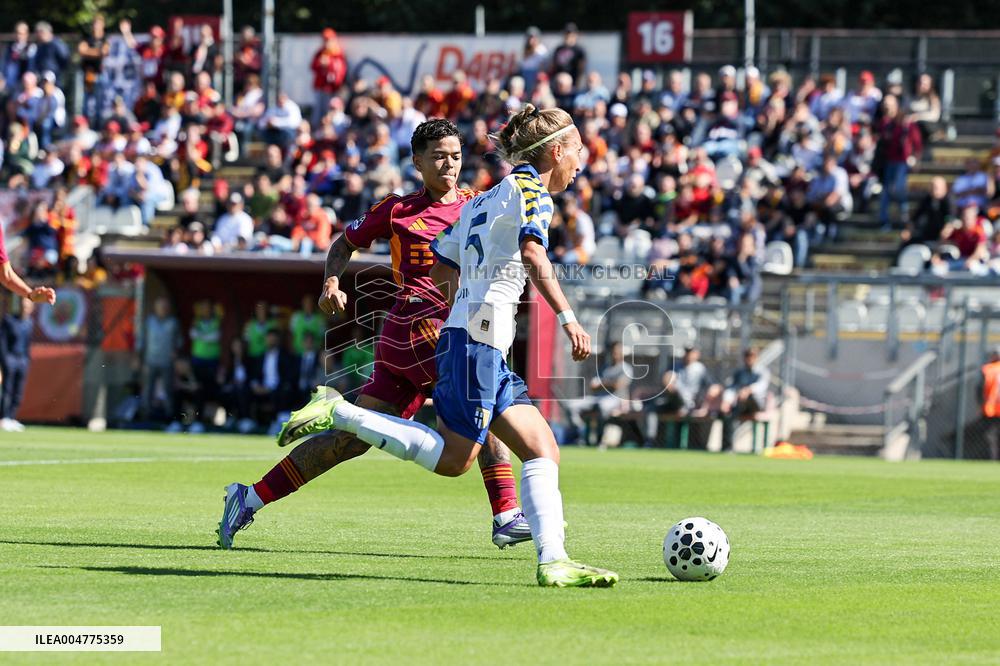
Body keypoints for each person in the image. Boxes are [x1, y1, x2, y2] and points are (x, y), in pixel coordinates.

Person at [272, 106, 618, 587]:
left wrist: (467, 305)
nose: (581, 162)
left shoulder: (483, 199)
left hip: (474, 339)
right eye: (578, 152)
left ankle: (553, 561)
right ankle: (341, 411)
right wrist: (569, 318)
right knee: (457, 461)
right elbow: (533, 254)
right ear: (555, 151)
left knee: (542, 448)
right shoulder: (531, 193)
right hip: (475, 342)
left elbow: (440, 264)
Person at [216, 119, 533, 553]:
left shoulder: (479, 203)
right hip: (424, 328)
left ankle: (248, 497)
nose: (449, 164)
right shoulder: (398, 210)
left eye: (456, 155)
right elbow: (342, 244)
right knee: (483, 400)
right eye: (439, 156)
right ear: (418, 161)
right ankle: (506, 514)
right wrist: (331, 282)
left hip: (429, 334)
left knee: (349, 442)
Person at [137, 297, 181, 420]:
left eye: (165, 307)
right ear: (155, 308)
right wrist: (138, 358)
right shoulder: (149, 322)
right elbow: (142, 341)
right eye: (161, 306)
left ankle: (169, 418)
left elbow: (179, 342)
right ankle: (146, 417)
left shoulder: (173, 323)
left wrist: (176, 354)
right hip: (151, 361)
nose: (163, 309)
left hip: (167, 362)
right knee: (148, 390)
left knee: (168, 390)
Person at [0, 297, 35, 432]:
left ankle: (12, 418)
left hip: (22, 360)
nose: (24, 308)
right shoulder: (9, 320)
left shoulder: (29, 323)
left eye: (27, 306)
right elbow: (2, 342)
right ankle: (4, 418)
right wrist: (5, 360)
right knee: (7, 389)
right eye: (22, 305)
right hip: (10, 358)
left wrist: (27, 359)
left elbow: (27, 344)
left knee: (18, 391)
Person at [310, 29, 347, 127]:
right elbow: (313, 66)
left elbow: (340, 71)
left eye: (329, 40)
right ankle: (317, 128)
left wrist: (329, 63)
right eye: (325, 40)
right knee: (319, 110)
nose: (327, 43)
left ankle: (329, 130)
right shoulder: (320, 52)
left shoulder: (337, 53)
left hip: (332, 88)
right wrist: (321, 63)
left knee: (330, 110)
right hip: (320, 87)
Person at [979, 348, 1000, 461]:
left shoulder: (988, 369)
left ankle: (992, 459)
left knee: (991, 437)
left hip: (991, 409)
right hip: (994, 409)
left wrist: (980, 404)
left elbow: (980, 389)